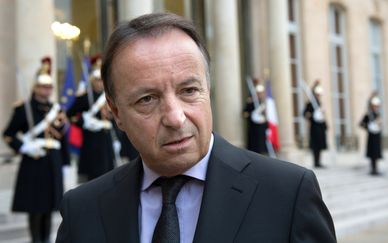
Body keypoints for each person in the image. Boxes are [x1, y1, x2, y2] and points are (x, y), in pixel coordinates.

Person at [55, 13, 336, 243]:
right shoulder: (82, 210)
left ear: (208, 90)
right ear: (116, 112)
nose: (175, 118)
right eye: (148, 99)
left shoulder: (288, 195)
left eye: (189, 90)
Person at [3, 62, 68, 243]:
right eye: (42, 86)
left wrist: (65, 164)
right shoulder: (23, 109)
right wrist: (24, 147)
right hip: (33, 161)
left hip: (52, 161)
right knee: (35, 207)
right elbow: (8, 134)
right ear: (36, 87)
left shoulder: (57, 110)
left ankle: (46, 239)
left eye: (49, 87)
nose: (46, 90)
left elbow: (62, 140)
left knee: (49, 207)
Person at [66, 55, 115, 182]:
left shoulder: (110, 97)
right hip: (90, 140)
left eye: (102, 80)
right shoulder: (84, 97)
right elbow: (70, 115)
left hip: (106, 138)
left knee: (109, 173)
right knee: (92, 176)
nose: (100, 83)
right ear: (92, 80)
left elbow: (117, 116)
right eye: (97, 80)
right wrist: (84, 122)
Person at [303, 79, 328, 168]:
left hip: (320, 126)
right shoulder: (310, 104)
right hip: (314, 126)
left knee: (320, 144)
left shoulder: (319, 103)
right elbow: (305, 114)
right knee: (315, 145)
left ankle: (319, 161)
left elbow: (322, 115)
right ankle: (316, 162)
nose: (318, 96)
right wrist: (313, 115)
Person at [360, 92, 383, 175]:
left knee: (377, 153)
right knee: (372, 153)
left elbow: (380, 124)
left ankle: (376, 168)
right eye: (374, 106)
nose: (375, 107)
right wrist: (369, 127)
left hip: (377, 136)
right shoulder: (368, 115)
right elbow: (361, 124)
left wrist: (379, 124)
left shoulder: (378, 114)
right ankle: (373, 169)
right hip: (371, 136)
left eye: (377, 106)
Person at [243, 81, 268, 154]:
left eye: (261, 93)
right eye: (258, 93)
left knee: (262, 147)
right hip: (254, 128)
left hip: (262, 128)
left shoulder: (263, 103)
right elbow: (245, 113)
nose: (260, 95)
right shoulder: (251, 102)